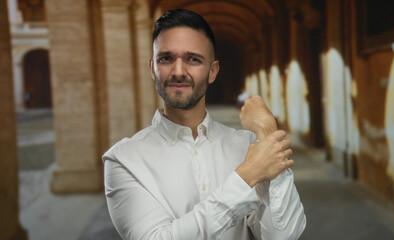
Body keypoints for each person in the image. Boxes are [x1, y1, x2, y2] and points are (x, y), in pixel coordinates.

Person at [103, 9, 306, 240]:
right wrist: (247, 176)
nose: (179, 72)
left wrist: (268, 132)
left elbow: (283, 236)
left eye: (193, 59)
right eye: (166, 58)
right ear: (153, 68)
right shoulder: (124, 159)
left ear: (212, 72)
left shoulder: (248, 145)